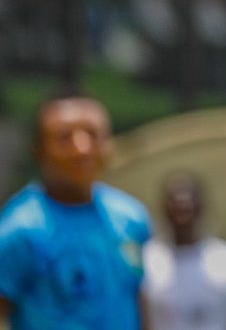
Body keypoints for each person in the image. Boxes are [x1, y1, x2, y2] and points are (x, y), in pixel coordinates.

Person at [0, 94, 151, 329]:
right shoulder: (19, 230)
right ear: (38, 150)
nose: (82, 149)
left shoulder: (130, 217)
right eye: (64, 138)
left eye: (92, 134)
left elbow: (135, 296)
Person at [143, 171, 226, 330]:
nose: (183, 216)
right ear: (164, 210)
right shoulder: (147, 263)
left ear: (202, 208)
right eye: (176, 208)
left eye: (188, 208)